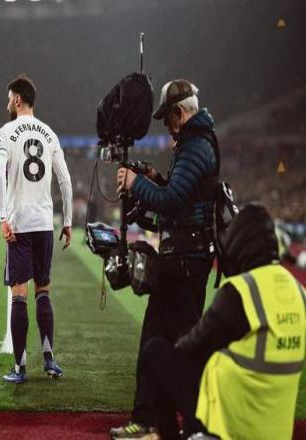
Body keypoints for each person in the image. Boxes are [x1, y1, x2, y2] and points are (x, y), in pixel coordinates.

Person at [113, 203, 306, 440]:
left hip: (231, 425)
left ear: (240, 245)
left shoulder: (242, 290)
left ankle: (174, 433)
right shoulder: (299, 291)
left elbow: (194, 345)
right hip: (276, 431)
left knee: (156, 352)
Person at [113, 79, 219, 438]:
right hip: (186, 260)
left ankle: (169, 422)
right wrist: (155, 179)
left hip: (185, 263)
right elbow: (181, 198)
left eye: (168, 118)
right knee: (166, 342)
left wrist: (136, 184)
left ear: (179, 112)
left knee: (167, 342)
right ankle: (158, 421)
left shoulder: (195, 146)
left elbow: (172, 201)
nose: (166, 126)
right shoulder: (197, 143)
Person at [0, 74, 73, 384]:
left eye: (8, 98)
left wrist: (2, 216)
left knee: (19, 294)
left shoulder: (5, 133)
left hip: (19, 223)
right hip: (44, 223)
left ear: (17, 100)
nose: (7, 104)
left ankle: (20, 367)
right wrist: (68, 221)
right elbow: (65, 179)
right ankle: (50, 360)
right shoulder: (49, 133)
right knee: (43, 289)